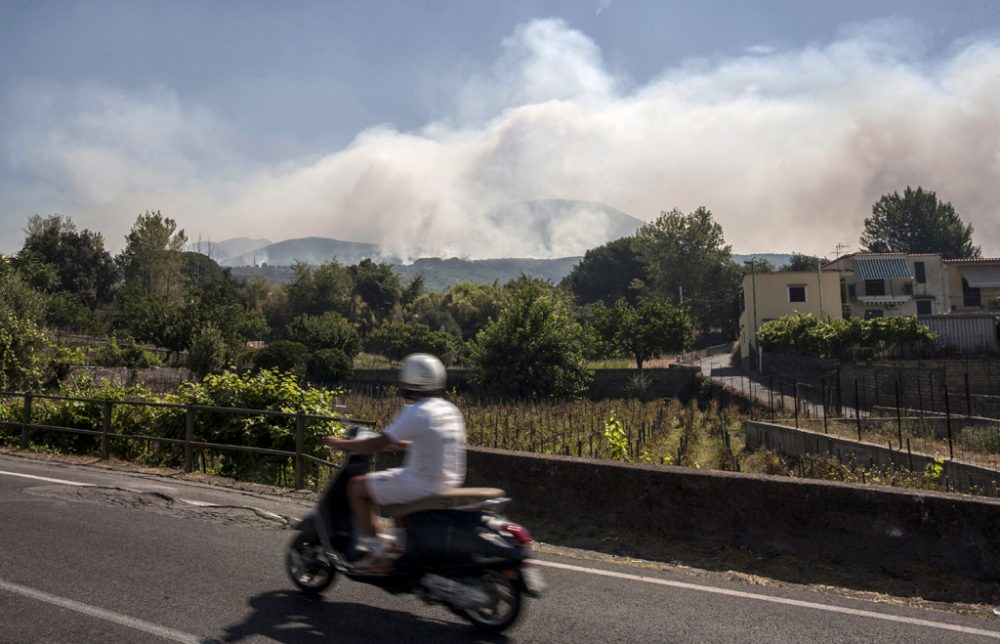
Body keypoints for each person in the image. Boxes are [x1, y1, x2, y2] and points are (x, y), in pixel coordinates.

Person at [324, 353, 466, 571]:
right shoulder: (449, 409)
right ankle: (399, 546)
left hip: (422, 483)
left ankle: (377, 553)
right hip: (448, 482)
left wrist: (339, 443)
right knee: (391, 487)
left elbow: (374, 444)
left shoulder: (417, 411)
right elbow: (432, 441)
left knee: (356, 487)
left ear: (410, 380)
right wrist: (403, 445)